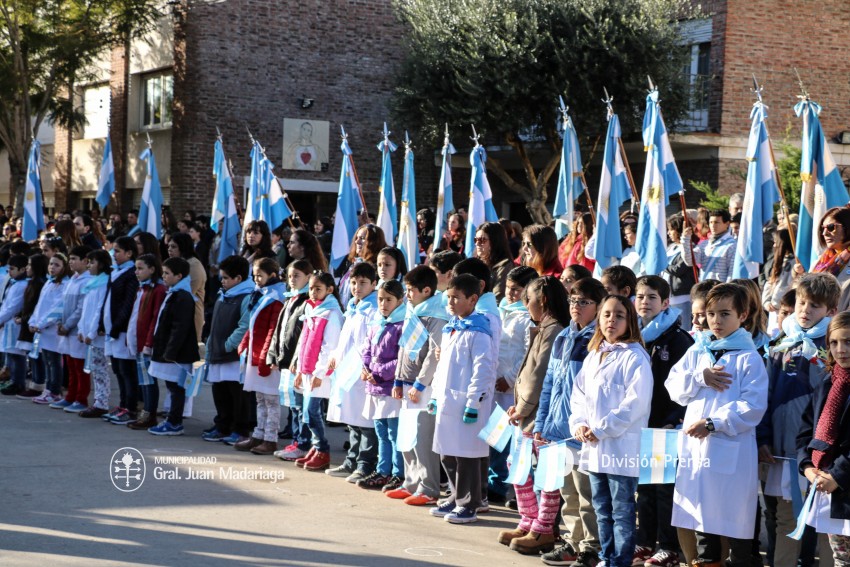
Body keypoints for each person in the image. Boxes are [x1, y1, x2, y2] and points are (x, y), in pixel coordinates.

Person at [665, 283, 768, 567]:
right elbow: (673, 387)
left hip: (728, 449)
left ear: (743, 314)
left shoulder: (749, 357)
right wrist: (701, 377)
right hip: (696, 452)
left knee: (734, 523)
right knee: (702, 522)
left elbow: (753, 406)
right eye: (711, 314)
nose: (716, 321)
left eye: (725, 314)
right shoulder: (699, 351)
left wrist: (713, 423)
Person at [758, 273, 839, 566]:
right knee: (786, 521)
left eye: (814, 305)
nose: (804, 310)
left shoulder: (837, 345)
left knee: (828, 524)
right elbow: (765, 395)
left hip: (822, 453)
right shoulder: (781, 343)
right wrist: (763, 438)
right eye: (802, 303)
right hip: (784, 451)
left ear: (831, 311)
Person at [569, 295, 653, 567]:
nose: (611, 320)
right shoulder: (594, 355)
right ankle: (606, 557)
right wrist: (580, 424)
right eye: (606, 314)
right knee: (601, 509)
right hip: (594, 447)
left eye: (619, 315)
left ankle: (620, 560)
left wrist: (601, 429)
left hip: (620, 448)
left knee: (622, 510)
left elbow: (635, 404)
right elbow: (578, 395)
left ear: (629, 321)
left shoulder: (635, 357)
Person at [536, 277, 607, 567]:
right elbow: (550, 382)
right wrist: (542, 422)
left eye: (584, 302)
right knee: (568, 493)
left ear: (598, 305)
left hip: (582, 431)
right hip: (558, 429)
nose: (576, 306)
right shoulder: (564, 337)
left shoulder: (599, 341)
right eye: (572, 300)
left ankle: (592, 547)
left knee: (586, 493)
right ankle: (573, 542)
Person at [503, 276, 571, 555]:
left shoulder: (554, 330)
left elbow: (538, 374)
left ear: (542, 299)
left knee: (545, 474)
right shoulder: (543, 327)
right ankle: (529, 520)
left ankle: (543, 528)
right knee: (518, 467)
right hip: (528, 412)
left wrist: (522, 407)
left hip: (541, 415)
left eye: (527, 298)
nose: (524, 304)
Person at [633, 276, 694, 567]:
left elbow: (683, 389)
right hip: (639, 424)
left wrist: (673, 420)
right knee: (644, 490)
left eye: (652, 297)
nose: (644, 302)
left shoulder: (678, 339)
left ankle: (668, 546)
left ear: (666, 303)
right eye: (640, 296)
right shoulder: (632, 336)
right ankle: (644, 541)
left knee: (662, 489)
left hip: (663, 426)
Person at [428, 274, 497, 525]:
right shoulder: (452, 327)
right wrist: (435, 394)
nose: (451, 302)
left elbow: (483, 369)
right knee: (447, 452)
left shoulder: (479, 331)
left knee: (466, 455)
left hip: (467, 403)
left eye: (456, 297)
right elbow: (442, 366)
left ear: (473, 299)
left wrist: (473, 402)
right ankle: (456, 495)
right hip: (447, 399)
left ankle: (469, 503)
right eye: (449, 297)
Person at [390, 265, 449, 505]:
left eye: (411, 290)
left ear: (427, 290)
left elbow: (432, 358)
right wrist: (397, 378)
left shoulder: (436, 315)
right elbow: (403, 349)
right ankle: (411, 481)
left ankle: (429, 487)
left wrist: (420, 385)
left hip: (422, 388)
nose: (407, 295)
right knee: (407, 436)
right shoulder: (412, 312)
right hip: (406, 384)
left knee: (422, 437)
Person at [797, 311, 850, 565]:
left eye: (848, 341)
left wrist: (837, 475)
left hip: (840, 480)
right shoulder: (828, 383)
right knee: (841, 558)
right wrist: (807, 467)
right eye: (834, 342)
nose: (841, 349)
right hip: (829, 488)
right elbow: (807, 431)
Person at [321, 262, 378, 478]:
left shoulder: (372, 310)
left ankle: (365, 464)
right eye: (354, 283)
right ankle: (351, 461)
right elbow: (345, 338)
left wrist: (365, 364)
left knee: (365, 422)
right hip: (347, 371)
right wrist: (335, 355)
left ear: (374, 284)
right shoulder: (354, 306)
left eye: (363, 283)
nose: (357, 287)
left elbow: (370, 341)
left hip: (361, 372)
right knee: (351, 419)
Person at [490, 265, 538, 504]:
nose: (510, 294)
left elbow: (527, 353)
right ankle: (496, 483)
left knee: (515, 442)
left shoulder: (528, 317)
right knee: (496, 438)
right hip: (495, 386)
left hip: (514, 389)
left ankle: (517, 491)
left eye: (516, 290)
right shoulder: (500, 311)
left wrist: (508, 378)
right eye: (508, 288)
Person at [292, 271, 344, 471]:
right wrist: (298, 366)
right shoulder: (311, 309)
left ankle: (322, 449)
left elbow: (330, 347)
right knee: (308, 413)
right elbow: (303, 339)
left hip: (319, 374)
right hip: (307, 370)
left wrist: (319, 373)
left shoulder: (331, 313)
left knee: (312, 412)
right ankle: (316, 447)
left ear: (330, 290)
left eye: (318, 289)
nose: (312, 293)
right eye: (311, 288)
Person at [357, 279, 406, 490]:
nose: (383, 304)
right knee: (381, 432)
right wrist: (366, 368)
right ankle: (382, 470)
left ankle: (398, 473)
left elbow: (402, 358)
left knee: (394, 433)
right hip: (375, 388)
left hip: (390, 388)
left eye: (389, 300)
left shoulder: (401, 324)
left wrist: (379, 373)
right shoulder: (377, 322)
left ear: (400, 300)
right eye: (380, 299)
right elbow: (367, 350)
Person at [202, 255, 256, 443]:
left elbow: (244, 325)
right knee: (220, 392)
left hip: (233, 356)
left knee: (237, 395)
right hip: (218, 353)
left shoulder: (247, 296)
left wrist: (228, 345)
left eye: (226, 278)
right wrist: (211, 345)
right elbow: (215, 324)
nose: (222, 281)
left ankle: (240, 429)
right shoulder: (223, 295)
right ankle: (222, 425)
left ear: (238, 279)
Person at [235, 257, 286, 455]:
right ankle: (258, 434)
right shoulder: (261, 294)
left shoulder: (276, 298)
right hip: (256, 355)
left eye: (260, 276)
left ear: (272, 275)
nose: (256, 279)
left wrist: (266, 356)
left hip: (267, 358)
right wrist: (245, 342)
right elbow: (253, 323)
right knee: (260, 399)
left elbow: (273, 330)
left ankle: (270, 438)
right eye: (254, 275)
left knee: (271, 400)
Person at [147, 257, 201, 435]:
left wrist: (170, 351)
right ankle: (172, 419)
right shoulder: (174, 293)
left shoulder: (183, 296)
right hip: (168, 350)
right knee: (172, 387)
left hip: (177, 354)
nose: (164, 276)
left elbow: (180, 327)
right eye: (163, 273)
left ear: (179, 276)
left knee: (176, 388)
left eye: (167, 273)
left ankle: (175, 422)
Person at [269, 259, 313, 459]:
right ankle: (296, 440)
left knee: (302, 406)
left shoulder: (307, 302)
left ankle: (304, 444)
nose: (292, 280)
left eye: (297, 276)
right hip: (286, 362)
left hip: (299, 364)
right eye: (289, 276)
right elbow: (279, 330)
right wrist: (273, 354)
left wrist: (297, 360)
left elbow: (305, 335)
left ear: (308, 278)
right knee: (293, 405)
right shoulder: (290, 300)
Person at [102, 236, 141, 425]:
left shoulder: (131, 274)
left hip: (123, 331)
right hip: (112, 331)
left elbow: (128, 304)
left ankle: (130, 408)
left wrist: (116, 327)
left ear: (129, 253)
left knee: (127, 371)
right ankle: (122, 404)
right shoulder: (115, 272)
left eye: (118, 251)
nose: (114, 254)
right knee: (117, 369)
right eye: (113, 250)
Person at [125, 253, 167, 431]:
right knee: (143, 379)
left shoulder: (158, 289)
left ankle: (149, 413)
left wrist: (149, 343)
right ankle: (146, 411)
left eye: (141, 268)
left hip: (146, 343)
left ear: (152, 269)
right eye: (136, 268)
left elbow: (155, 318)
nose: (137, 272)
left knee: (149, 380)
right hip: (137, 340)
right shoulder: (142, 288)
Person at [50, 246, 92, 412]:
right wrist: (60, 321)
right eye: (71, 258)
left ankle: (81, 399)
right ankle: (70, 397)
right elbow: (62, 304)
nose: (71, 262)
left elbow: (81, 309)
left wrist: (67, 325)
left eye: (75, 259)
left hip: (76, 332)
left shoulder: (87, 281)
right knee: (71, 367)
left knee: (80, 368)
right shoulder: (72, 279)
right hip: (66, 331)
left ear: (85, 261)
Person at [29, 254, 71, 404]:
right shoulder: (48, 282)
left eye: (57, 265)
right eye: (51, 264)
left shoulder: (65, 284)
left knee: (54, 361)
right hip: (42, 329)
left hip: (52, 330)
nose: (52, 267)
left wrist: (40, 324)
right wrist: (33, 321)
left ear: (64, 267)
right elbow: (40, 305)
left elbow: (57, 308)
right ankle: (48, 388)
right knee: (46, 360)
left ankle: (55, 391)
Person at [76, 250, 112, 417]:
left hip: (97, 335)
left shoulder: (104, 283)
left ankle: (101, 403)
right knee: (95, 368)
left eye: (92, 262)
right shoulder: (93, 283)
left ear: (102, 264)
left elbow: (99, 310)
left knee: (100, 370)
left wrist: (91, 332)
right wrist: (81, 330)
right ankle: (98, 401)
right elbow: (85, 311)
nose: (89, 265)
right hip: (89, 334)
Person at [14, 254, 48, 399]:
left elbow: (37, 306)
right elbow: (26, 304)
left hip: (33, 324)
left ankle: (38, 384)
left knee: (37, 356)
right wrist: (20, 315)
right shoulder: (32, 282)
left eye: (30, 265)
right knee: (32, 354)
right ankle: (35, 383)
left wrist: (25, 318)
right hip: (28, 323)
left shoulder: (40, 283)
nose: (27, 268)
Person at [336, 224, 387, 307]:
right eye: (357, 238)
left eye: (362, 239)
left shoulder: (378, 268)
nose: (357, 241)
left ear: (374, 242)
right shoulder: (351, 263)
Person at [0, 255, 30, 396]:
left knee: (17, 356)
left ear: (22, 269)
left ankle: (19, 383)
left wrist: (1, 319)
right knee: (11, 354)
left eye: (12, 269)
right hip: (9, 323)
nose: (9, 272)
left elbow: (13, 307)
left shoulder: (22, 285)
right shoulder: (14, 283)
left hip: (15, 324)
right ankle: (13, 380)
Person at [168, 232, 206, 342]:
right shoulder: (177, 263)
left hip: (189, 316)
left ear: (183, 247)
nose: (170, 249)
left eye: (174, 246)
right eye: (169, 246)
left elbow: (185, 293)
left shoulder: (193, 266)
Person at [661, 214, 697, 331]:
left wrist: (661, 264)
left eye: (671, 229)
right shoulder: (671, 247)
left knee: (684, 328)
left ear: (678, 230)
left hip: (682, 296)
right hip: (669, 295)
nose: (668, 233)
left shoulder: (688, 247)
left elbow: (678, 269)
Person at [681, 209, 737, 282]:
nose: (713, 226)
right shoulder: (704, 244)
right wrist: (685, 238)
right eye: (711, 222)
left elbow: (732, 273)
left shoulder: (732, 245)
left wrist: (727, 290)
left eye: (717, 222)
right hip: (704, 289)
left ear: (727, 224)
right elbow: (690, 261)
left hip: (721, 290)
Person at [473, 221, 514, 303]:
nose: (477, 244)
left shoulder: (505, 266)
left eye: (482, 240)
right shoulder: (475, 263)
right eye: (476, 240)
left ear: (495, 241)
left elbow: (498, 298)